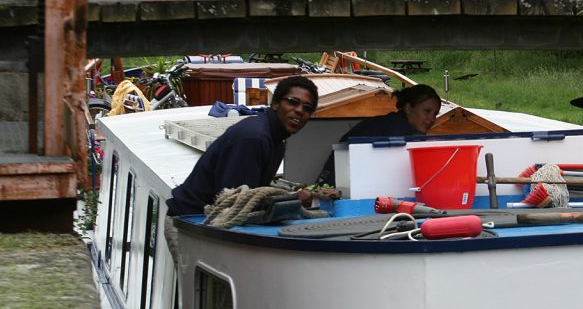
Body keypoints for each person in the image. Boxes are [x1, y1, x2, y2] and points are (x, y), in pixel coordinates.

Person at [164, 75, 319, 258]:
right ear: (275, 103)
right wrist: (293, 200)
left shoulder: (275, 140)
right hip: (191, 224)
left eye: (307, 108)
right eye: (293, 102)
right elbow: (235, 200)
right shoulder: (254, 139)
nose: (300, 111)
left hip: (206, 223)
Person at [318, 84, 442, 186]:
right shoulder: (398, 129)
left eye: (435, 114)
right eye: (427, 111)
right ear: (408, 108)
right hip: (338, 187)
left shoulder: (389, 122)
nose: (432, 119)